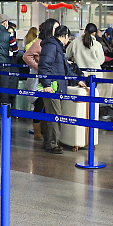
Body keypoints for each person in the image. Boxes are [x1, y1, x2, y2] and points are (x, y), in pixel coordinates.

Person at [37, 25, 86, 154]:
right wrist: (46, 84)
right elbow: (44, 66)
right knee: (55, 116)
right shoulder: (52, 46)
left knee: (52, 116)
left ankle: (49, 142)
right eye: (67, 38)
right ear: (64, 36)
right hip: (52, 88)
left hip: (56, 86)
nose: (68, 40)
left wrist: (77, 80)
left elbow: (65, 70)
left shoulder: (56, 47)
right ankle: (52, 144)